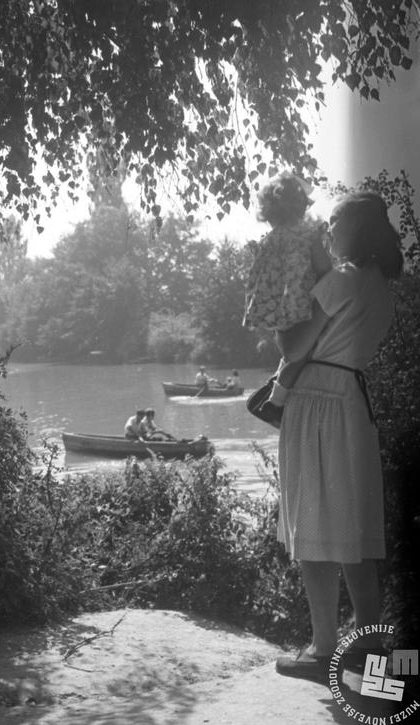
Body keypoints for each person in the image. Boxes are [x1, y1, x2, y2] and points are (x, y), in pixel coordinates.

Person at [272, 191, 403, 682]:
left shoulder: (341, 281)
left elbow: (292, 345)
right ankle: (373, 659)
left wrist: (283, 305)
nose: (327, 230)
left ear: (354, 229)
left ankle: (324, 647)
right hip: (352, 402)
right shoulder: (380, 289)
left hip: (316, 403)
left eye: (334, 223)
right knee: (355, 535)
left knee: (313, 528)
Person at [243, 172, 333, 426]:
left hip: (278, 311)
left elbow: (258, 281)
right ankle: (275, 402)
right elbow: (326, 270)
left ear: (269, 211)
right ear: (302, 207)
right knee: (303, 354)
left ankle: (277, 388)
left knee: (290, 352)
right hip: (303, 306)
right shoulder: (309, 235)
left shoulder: (268, 241)